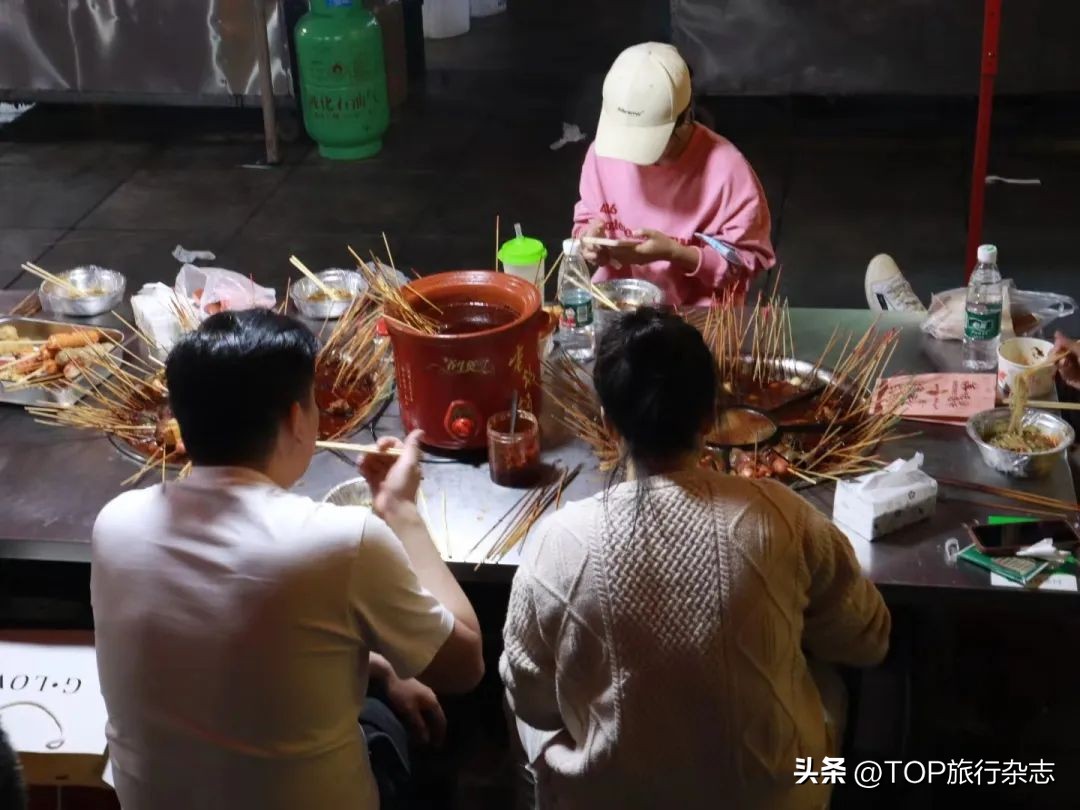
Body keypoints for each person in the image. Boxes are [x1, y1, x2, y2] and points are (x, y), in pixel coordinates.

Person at [91, 310, 484, 810]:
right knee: (446, 728)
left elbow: (247, 646)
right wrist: (400, 510)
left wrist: (385, 669)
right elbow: (465, 665)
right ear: (297, 419)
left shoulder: (115, 523)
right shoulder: (340, 541)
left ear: (181, 425)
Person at [501, 308, 890, 809]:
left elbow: (531, 699)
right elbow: (869, 641)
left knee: (526, 708)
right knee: (830, 686)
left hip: (612, 800)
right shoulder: (785, 516)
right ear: (711, 417)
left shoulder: (554, 544)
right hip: (771, 799)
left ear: (608, 424)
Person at [572, 43, 776, 306]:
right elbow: (587, 217)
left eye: (647, 143)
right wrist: (588, 240)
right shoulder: (603, 152)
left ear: (685, 117)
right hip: (618, 306)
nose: (633, 157)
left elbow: (745, 265)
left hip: (697, 316)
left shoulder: (727, 172)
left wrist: (676, 253)